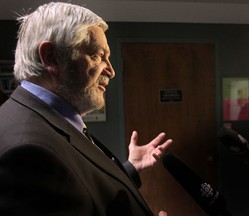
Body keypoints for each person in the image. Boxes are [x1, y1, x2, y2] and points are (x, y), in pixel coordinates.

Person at [0, 2, 173, 215]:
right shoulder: (26, 152)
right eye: (98, 56)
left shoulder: (48, 120)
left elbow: (76, 191)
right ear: (51, 57)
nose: (111, 71)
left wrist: (129, 169)